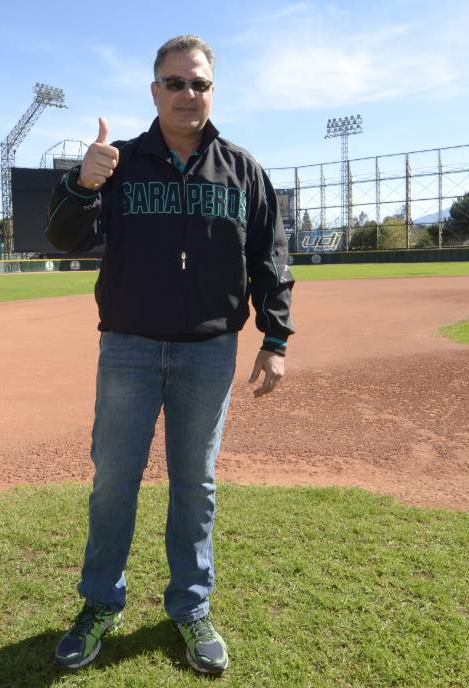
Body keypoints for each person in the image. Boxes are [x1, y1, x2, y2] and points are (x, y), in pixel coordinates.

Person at [45, 34, 295, 675]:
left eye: (200, 84)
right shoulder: (118, 162)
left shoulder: (242, 169)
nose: (189, 94)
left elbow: (270, 259)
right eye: (176, 83)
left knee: (196, 486)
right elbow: (64, 237)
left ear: (213, 91)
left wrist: (274, 338)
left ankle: (189, 607)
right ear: (154, 90)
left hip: (208, 352)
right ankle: (100, 603)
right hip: (128, 347)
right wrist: (81, 183)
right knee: (113, 484)